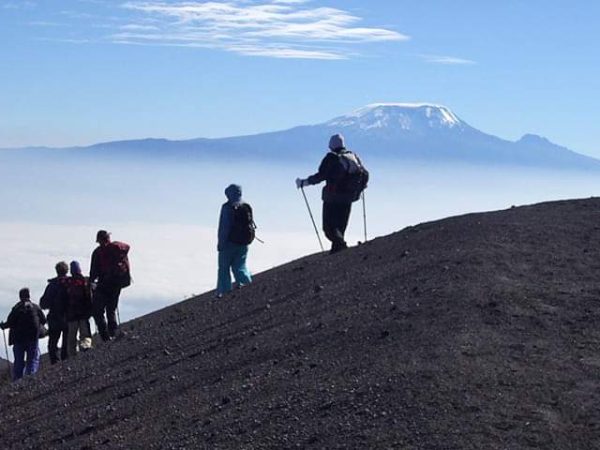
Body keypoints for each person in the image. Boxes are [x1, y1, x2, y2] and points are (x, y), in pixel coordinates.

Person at [296, 133, 369, 254]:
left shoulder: (331, 158)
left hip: (332, 198)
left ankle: (340, 246)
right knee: (341, 225)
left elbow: (320, 176)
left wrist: (305, 182)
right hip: (349, 197)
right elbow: (364, 173)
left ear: (331, 145)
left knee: (328, 227)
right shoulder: (352, 156)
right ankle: (338, 250)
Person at [90, 230, 131, 341]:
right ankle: (113, 332)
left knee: (98, 311)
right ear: (108, 238)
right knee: (111, 309)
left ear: (99, 240)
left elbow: (93, 272)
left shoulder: (98, 252)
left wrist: (91, 282)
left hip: (103, 284)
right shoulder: (117, 248)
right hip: (116, 283)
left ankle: (105, 337)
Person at [216, 184, 254, 298]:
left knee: (224, 268)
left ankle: (223, 292)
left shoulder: (227, 207)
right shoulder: (246, 206)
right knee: (240, 266)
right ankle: (248, 285)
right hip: (244, 243)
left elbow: (224, 227)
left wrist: (221, 244)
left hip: (229, 243)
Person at [0, 288, 46, 381]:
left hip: (18, 339)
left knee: (19, 361)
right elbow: (43, 320)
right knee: (32, 359)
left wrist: (3, 325)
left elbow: (10, 322)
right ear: (29, 295)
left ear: (20, 296)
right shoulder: (35, 307)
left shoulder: (17, 308)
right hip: (33, 337)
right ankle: (30, 377)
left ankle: (17, 380)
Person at [40, 261, 70, 364]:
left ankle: (55, 362)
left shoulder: (52, 285)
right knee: (67, 340)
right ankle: (66, 359)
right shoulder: (71, 282)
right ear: (67, 270)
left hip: (54, 317)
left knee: (53, 342)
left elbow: (43, 303)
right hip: (69, 316)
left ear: (56, 271)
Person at [66, 261, 93, 357]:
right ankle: (85, 348)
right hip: (83, 312)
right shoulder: (85, 281)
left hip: (71, 314)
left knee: (71, 338)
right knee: (85, 334)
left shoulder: (68, 282)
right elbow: (90, 296)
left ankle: (72, 355)